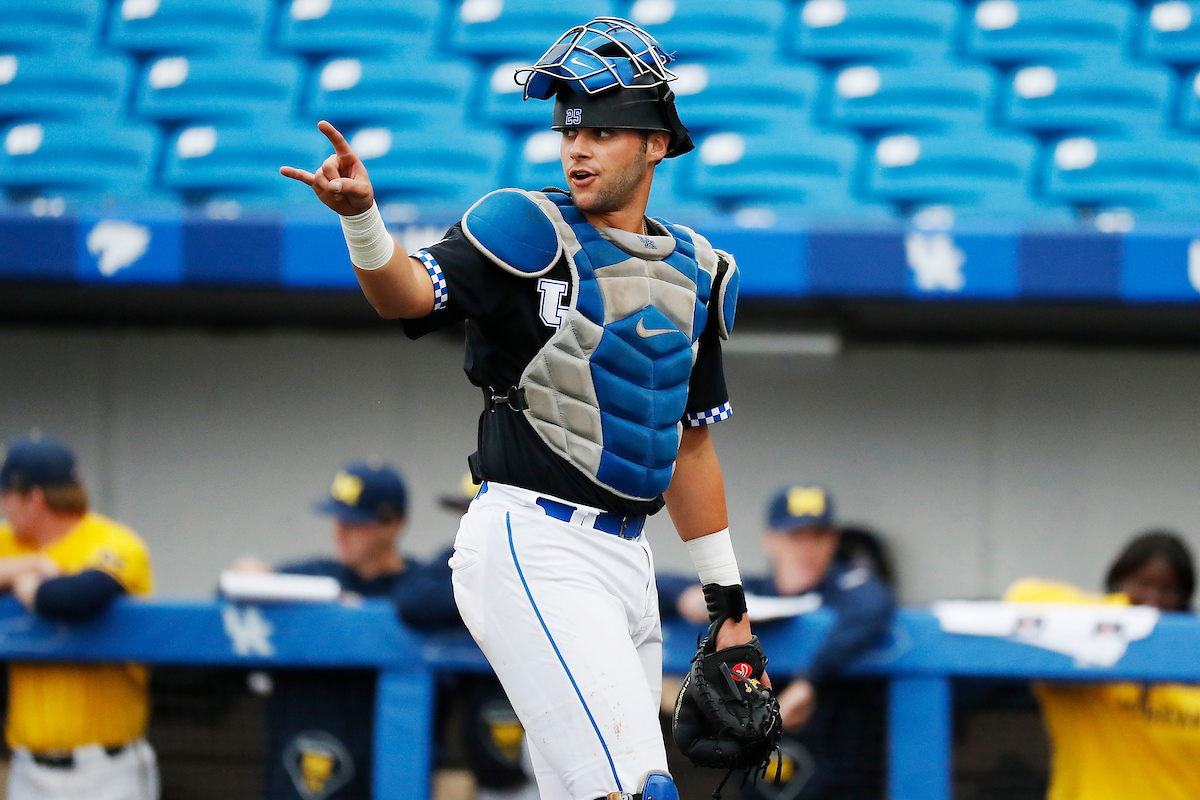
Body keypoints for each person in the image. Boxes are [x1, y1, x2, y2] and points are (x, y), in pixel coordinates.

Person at [281, 17, 770, 800]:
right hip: (532, 539)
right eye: (569, 130)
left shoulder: (702, 271)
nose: (578, 147)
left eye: (605, 131)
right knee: (638, 794)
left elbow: (691, 448)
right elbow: (409, 293)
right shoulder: (525, 225)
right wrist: (362, 222)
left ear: (655, 145)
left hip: (629, 559)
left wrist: (728, 606)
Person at [231, 458, 459, 800]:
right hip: (300, 772)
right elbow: (228, 593)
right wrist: (256, 580)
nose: (339, 530)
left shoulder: (421, 590)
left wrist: (360, 616)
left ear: (393, 524)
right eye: (337, 518)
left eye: (356, 522)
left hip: (384, 775)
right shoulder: (312, 575)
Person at [660, 485, 895, 800]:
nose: (806, 548)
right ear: (770, 539)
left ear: (833, 541)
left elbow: (873, 604)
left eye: (817, 536)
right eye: (795, 536)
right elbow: (657, 584)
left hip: (839, 767)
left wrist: (811, 683)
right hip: (762, 771)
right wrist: (687, 598)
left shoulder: (850, 586)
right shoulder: (752, 591)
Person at [0, 434, 158, 800]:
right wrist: (33, 565)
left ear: (34, 499)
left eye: (7, 495)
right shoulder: (11, 543)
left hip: (107, 770)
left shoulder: (115, 541)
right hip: (28, 769)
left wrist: (23, 585)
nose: (3, 506)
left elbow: (74, 597)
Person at [1004, 530, 1200, 800]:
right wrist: (1125, 620)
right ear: (1116, 584)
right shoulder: (1078, 650)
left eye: (1168, 589)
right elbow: (1022, 596)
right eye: (1141, 584)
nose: (1153, 599)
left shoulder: (1192, 665)